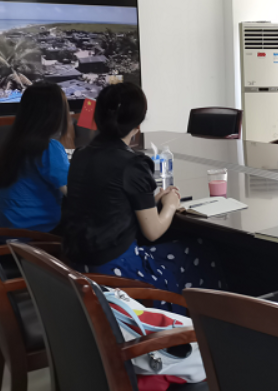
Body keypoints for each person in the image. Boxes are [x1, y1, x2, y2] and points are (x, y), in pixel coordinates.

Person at [61, 82, 224, 304]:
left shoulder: (81, 155)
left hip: (80, 269)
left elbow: (105, 203)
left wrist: (148, 202)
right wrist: (170, 204)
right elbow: (153, 231)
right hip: (119, 274)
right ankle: (207, 319)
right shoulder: (132, 164)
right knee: (203, 251)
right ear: (137, 125)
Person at [0, 83, 70, 233]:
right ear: (55, 113)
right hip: (32, 236)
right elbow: (74, 193)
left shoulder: (12, 144)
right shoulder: (48, 148)